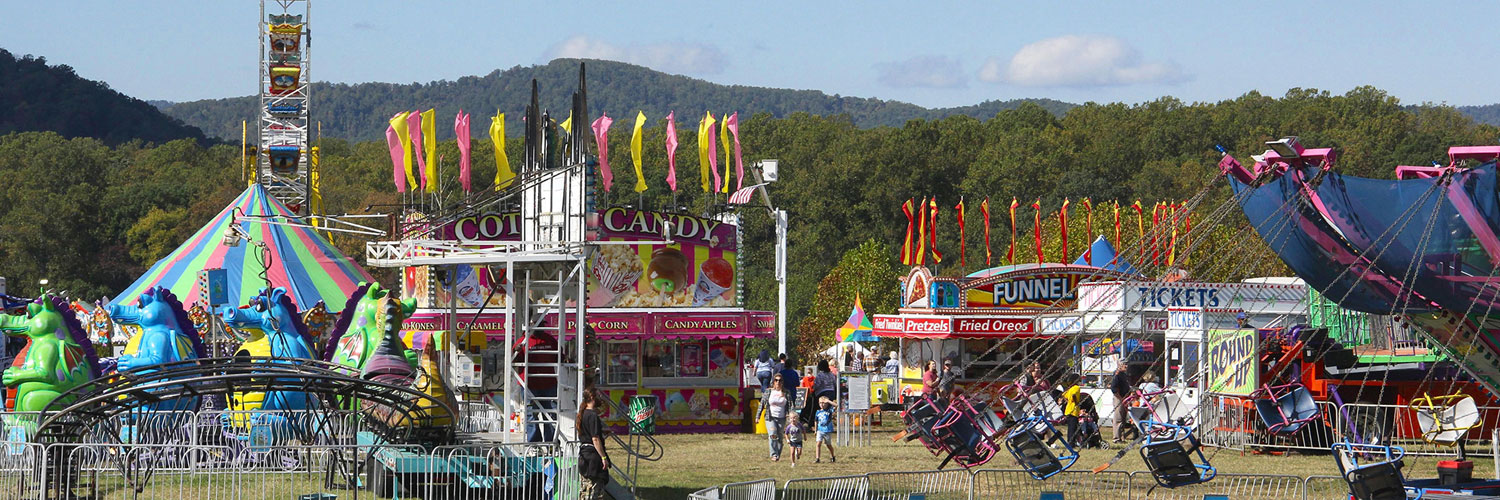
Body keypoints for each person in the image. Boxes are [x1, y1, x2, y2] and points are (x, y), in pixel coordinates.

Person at [577, 388, 610, 499]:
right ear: (592, 397)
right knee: (595, 492)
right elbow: (595, 439)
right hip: (593, 458)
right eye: (598, 396)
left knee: (585, 490)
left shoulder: (582, 414)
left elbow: (586, 435)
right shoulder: (592, 415)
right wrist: (604, 457)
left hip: (584, 455)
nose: (600, 398)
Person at [757, 373, 795, 461]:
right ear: (773, 382)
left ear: (782, 382)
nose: (778, 382)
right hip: (770, 417)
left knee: (779, 437)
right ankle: (773, 454)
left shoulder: (786, 392)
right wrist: (757, 416)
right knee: (773, 434)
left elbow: (791, 405)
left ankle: (777, 453)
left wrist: (792, 416)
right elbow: (762, 404)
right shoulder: (768, 392)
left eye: (780, 380)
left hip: (781, 417)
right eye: (776, 380)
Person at [802, 359, 837, 425]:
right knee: (828, 410)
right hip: (831, 393)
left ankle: (812, 422)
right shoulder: (832, 375)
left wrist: (813, 388)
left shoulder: (820, 375)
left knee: (815, 408)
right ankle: (827, 422)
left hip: (822, 393)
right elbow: (834, 384)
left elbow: (816, 385)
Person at [1110, 364, 1136, 443]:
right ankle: (1116, 438)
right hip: (1119, 398)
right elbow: (1114, 388)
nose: (1126, 366)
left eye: (1127, 364)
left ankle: (1122, 437)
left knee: (1123, 419)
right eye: (1124, 364)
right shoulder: (1117, 374)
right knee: (1118, 418)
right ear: (1119, 365)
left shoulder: (1124, 375)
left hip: (1125, 397)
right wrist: (1120, 398)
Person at [814, 397, 837, 463]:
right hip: (820, 430)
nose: (822, 404)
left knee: (828, 444)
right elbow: (816, 421)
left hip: (827, 430)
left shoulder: (829, 410)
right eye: (820, 403)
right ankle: (817, 458)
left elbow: (836, 405)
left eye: (823, 403)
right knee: (818, 443)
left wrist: (828, 401)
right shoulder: (818, 412)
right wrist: (816, 430)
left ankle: (832, 456)